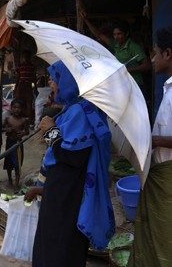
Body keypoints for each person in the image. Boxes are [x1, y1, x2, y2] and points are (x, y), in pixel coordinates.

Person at [32, 61, 114, 266]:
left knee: (60, 248)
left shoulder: (80, 112)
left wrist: (50, 130)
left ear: (69, 81)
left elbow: (72, 157)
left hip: (68, 195)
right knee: (52, 244)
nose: (51, 82)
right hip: (59, 190)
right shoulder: (71, 109)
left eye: (56, 78)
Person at [129, 26, 172, 267]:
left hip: (168, 176)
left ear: (168, 53)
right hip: (161, 172)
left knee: (165, 235)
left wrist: (152, 140)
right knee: (156, 234)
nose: (152, 59)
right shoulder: (168, 88)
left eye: (155, 53)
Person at [82, 14, 151, 92]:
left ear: (126, 34)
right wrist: (85, 20)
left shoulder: (134, 47)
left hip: (135, 85)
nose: (116, 37)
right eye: (114, 34)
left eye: (119, 34)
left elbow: (147, 66)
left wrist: (128, 69)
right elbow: (99, 35)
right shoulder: (115, 45)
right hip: (122, 84)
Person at [3, 99, 29, 190]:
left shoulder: (24, 120)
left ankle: (16, 183)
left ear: (21, 109)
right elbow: (3, 129)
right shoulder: (7, 119)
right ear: (11, 108)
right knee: (9, 163)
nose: (16, 109)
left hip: (18, 144)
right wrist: (7, 130)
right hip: (9, 142)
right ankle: (10, 180)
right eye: (14, 107)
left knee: (17, 163)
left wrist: (23, 133)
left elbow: (27, 131)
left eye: (19, 108)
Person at [14, 50, 36, 123]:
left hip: (25, 86)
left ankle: (28, 121)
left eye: (27, 56)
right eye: (25, 56)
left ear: (29, 57)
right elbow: (18, 77)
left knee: (26, 103)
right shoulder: (26, 66)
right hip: (23, 85)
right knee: (22, 103)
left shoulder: (27, 66)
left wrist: (35, 88)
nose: (26, 58)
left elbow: (34, 78)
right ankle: (23, 120)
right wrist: (16, 88)